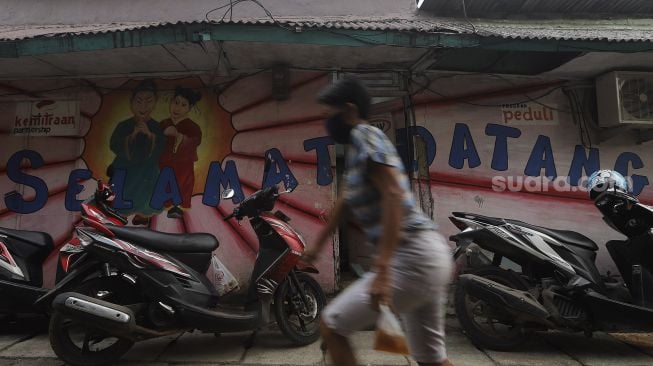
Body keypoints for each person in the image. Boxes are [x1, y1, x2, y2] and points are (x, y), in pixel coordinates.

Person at [303, 78, 454, 366]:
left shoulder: (365, 135)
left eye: (327, 114)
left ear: (348, 110)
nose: (325, 121)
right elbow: (344, 202)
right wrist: (316, 248)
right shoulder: (358, 154)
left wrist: (383, 271)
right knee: (432, 359)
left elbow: (394, 194)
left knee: (332, 325)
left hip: (412, 257)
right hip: (426, 256)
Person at [108, 79, 164, 225]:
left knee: (147, 194)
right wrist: (131, 136)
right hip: (125, 171)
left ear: (155, 102)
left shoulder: (157, 127)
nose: (143, 106)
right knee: (121, 194)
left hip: (147, 173)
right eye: (138, 101)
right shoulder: (124, 125)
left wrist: (150, 135)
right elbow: (114, 145)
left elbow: (162, 149)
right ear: (132, 102)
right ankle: (121, 216)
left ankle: (143, 216)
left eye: (148, 101)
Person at [158, 87, 203, 218]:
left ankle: (177, 207)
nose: (177, 108)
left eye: (183, 105)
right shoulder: (163, 123)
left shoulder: (193, 127)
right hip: (163, 165)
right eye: (176, 102)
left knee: (181, 186)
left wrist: (179, 136)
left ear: (189, 108)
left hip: (182, 167)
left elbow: (195, 142)